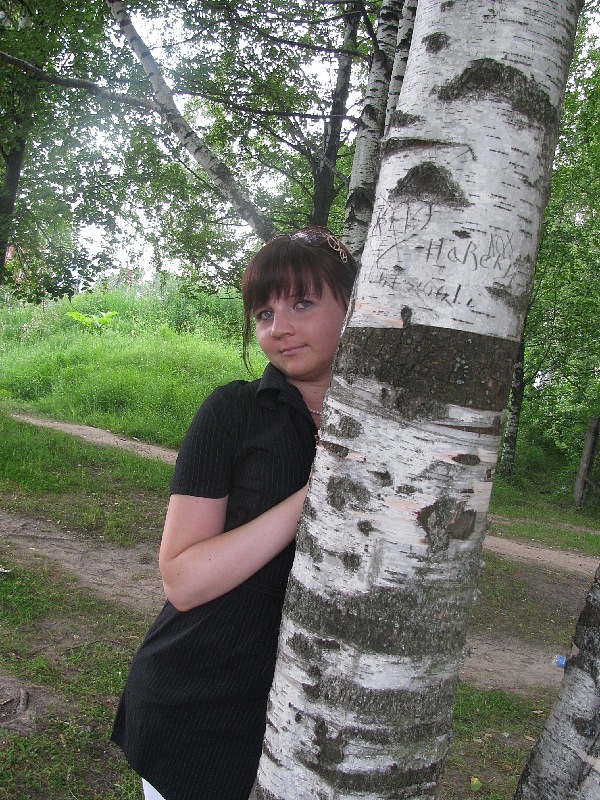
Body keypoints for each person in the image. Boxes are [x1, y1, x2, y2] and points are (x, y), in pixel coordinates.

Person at [111, 226, 358, 800]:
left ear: (355, 308)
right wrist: (316, 491)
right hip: (198, 705)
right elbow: (182, 579)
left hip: (324, 720)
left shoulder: (398, 431)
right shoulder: (233, 412)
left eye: (302, 303)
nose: (280, 328)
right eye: (265, 313)